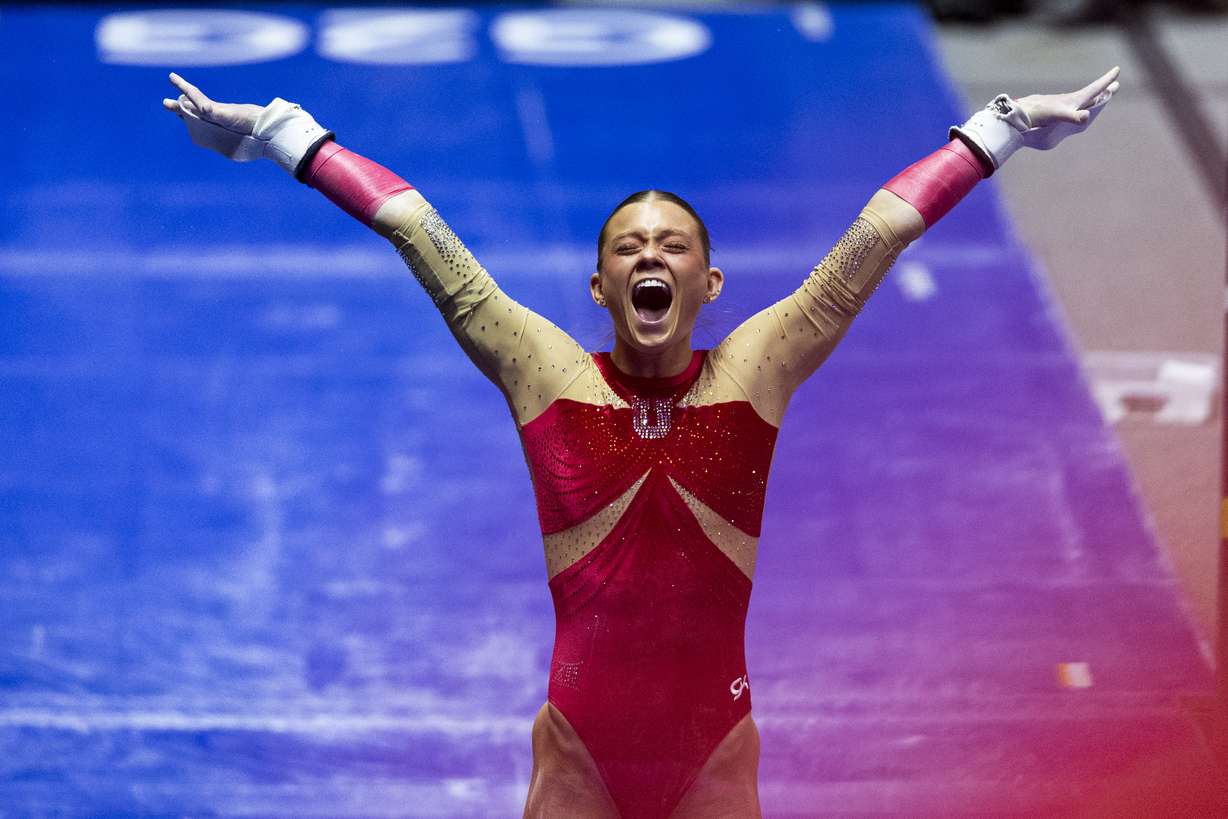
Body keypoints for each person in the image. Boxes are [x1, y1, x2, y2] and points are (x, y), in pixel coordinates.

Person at [164, 65, 1120, 818]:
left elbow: (873, 240)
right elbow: (419, 232)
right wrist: (280, 131)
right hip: (579, 754)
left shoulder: (752, 372)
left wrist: (998, 126)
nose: (649, 255)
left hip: (714, 753)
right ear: (600, 287)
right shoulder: (547, 373)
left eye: (673, 246)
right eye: (627, 247)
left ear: (709, 284)